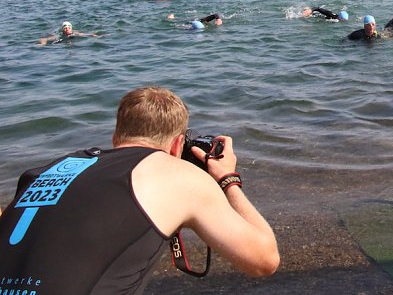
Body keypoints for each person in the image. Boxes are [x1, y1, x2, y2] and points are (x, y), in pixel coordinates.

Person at [0, 86, 279, 293]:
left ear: (116, 137)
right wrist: (227, 179)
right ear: (176, 145)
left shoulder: (46, 171)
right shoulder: (175, 172)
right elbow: (263, 260)